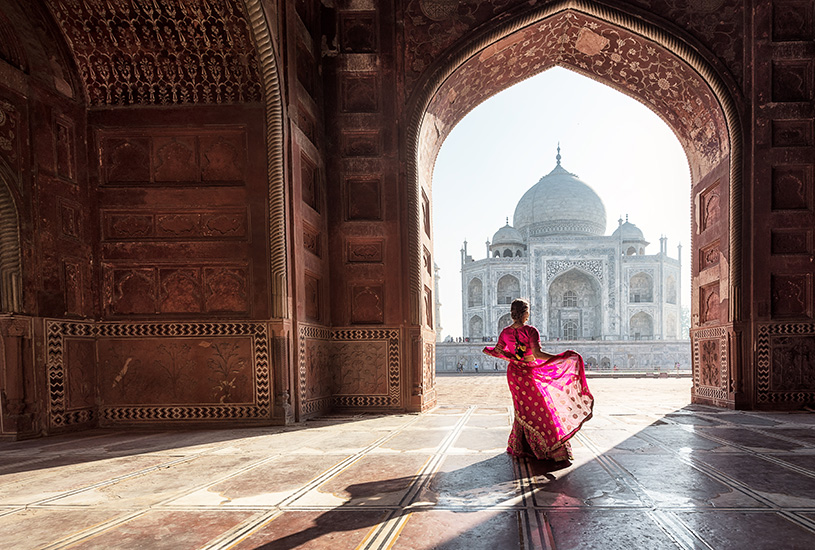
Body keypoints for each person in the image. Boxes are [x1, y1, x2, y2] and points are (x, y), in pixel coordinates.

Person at [483, 299, 593, 462]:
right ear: (525, 313)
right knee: (541, 406)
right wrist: (559, 358)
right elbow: (538, 354)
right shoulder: (530, 330)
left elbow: (498, 351)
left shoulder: (505, 332)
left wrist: (513, 358)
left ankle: (522, 445)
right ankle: (549, 447)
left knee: (523, 409)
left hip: (514, 373)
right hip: (527, 371)